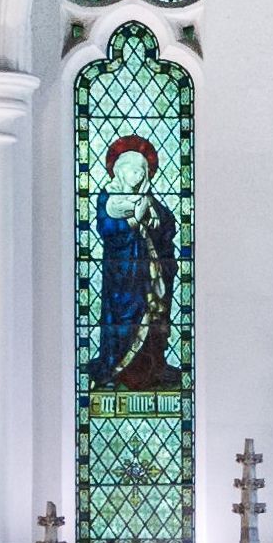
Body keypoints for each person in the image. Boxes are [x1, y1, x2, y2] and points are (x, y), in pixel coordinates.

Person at [92, 135, 184, 391]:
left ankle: (153, 367)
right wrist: (133, 221)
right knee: (122, 318)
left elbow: (167, 223)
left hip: (149, 270)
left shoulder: (148, 198)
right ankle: (115, 368)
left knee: (153, 314)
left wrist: (155, 221)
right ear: (120, 171)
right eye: (133, 170)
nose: (137, 175)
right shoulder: (108, 196)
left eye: (142, 171)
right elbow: (106, 228)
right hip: (122, 271)